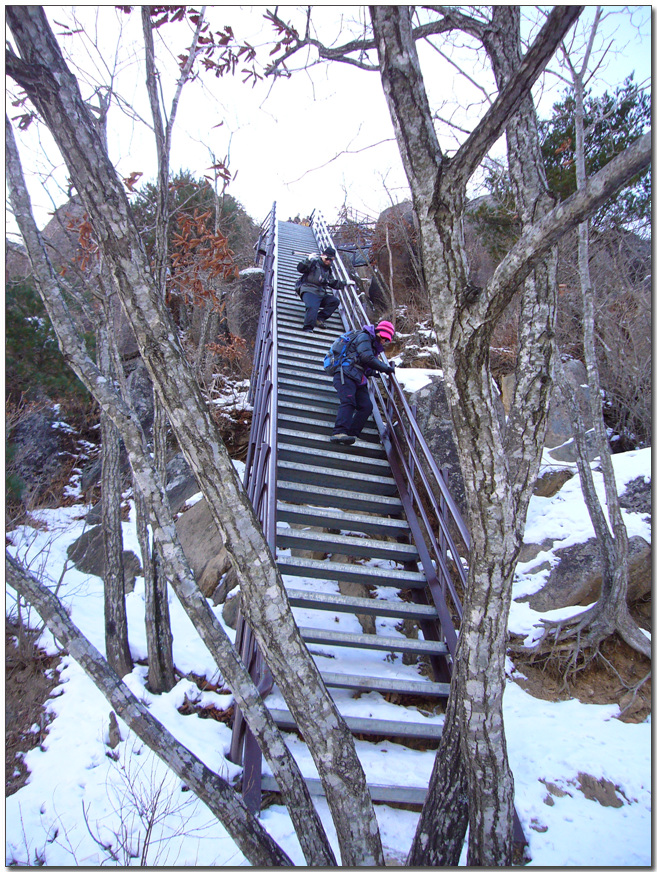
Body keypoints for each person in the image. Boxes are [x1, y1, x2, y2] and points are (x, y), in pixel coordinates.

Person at [330, 320, 396, 445]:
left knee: (366, 406)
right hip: (345, 374)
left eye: (387, 340)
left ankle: (352, 434)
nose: (384, 341)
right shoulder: (364, 336)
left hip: (357, 377)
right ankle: (338, 432)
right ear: (377, 332)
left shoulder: (373, 345)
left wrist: (373, 372)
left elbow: (363, 362)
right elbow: (366, 357)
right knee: (348, 401)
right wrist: (386, 369)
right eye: (383, 337)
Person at [295, 246, 344, 331]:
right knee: (312, 306)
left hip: (320, 293)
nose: (328, 261)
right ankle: (308, 327)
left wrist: (345, 283)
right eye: (327, 259)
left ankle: (319, 318)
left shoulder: (328, 270)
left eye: (331, 260)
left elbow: (333, 283)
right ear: (322, 255)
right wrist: (308, 260)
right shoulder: (314, 263)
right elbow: (300, 268)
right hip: (308, 289)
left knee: (335, 301)